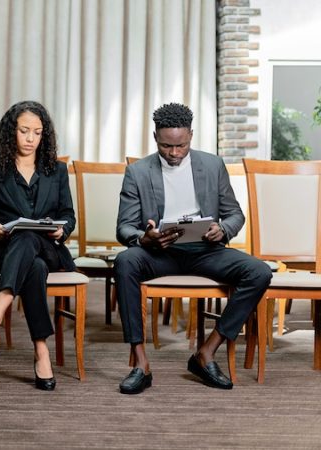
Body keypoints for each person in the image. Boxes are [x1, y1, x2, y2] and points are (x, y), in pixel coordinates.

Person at [114, 102, 272, 394]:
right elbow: (124, 227)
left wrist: (222, 229)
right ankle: (140, 363)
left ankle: (207, 352)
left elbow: (235, 214)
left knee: (259, 272)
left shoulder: (212, 165)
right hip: (159, 254)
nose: (174, 153)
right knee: (125, 262)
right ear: (155, 137)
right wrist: (144, 238)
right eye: (166, 146)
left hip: (206, 251)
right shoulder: (137, 172)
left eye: (182, 146)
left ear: (191, 136)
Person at [0, 101, 76, 391]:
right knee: (33, 262)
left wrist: (61, 229)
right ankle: (42, 351)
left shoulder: (57, 170)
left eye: (37, 132)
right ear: (11, 132)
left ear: (45, 135)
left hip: (50, 248)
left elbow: (68, 215)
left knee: (30, 236)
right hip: (6, 251)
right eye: (24, 131)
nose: (30, 139)